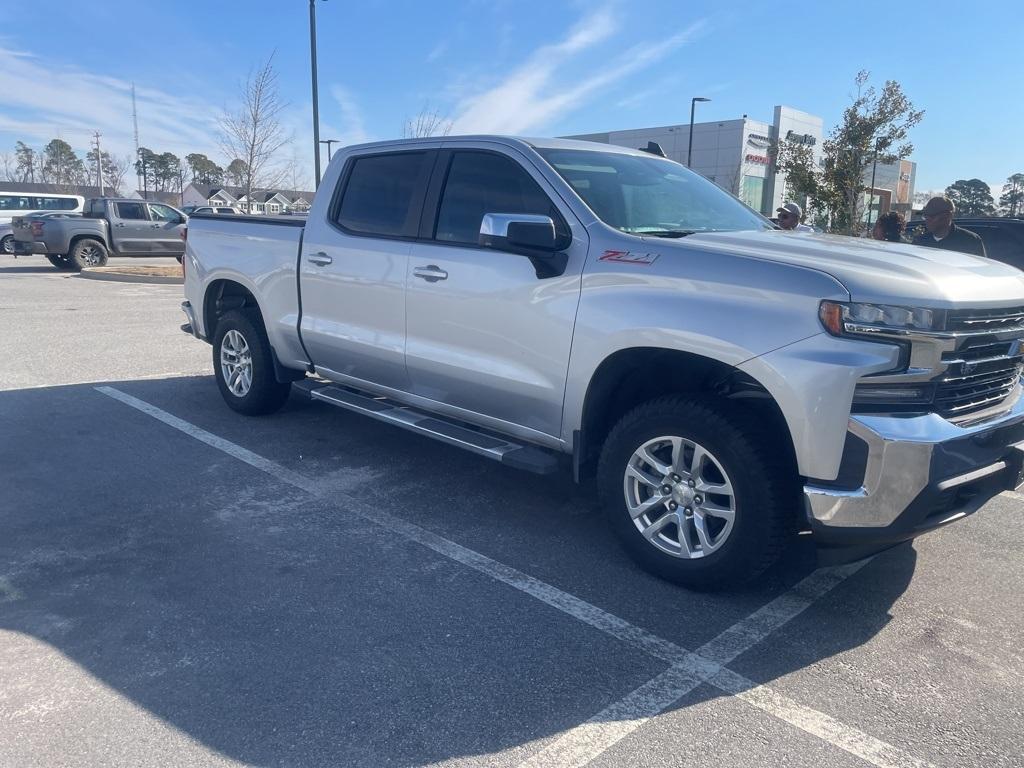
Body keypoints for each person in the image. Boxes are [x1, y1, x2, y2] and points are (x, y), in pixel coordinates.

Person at [911, 197, 986, 257]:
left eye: (932, 216)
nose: (927, 220)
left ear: (948, 216)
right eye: (925, 216)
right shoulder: (920, 242)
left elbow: (980, 271)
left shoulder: (970, 241)